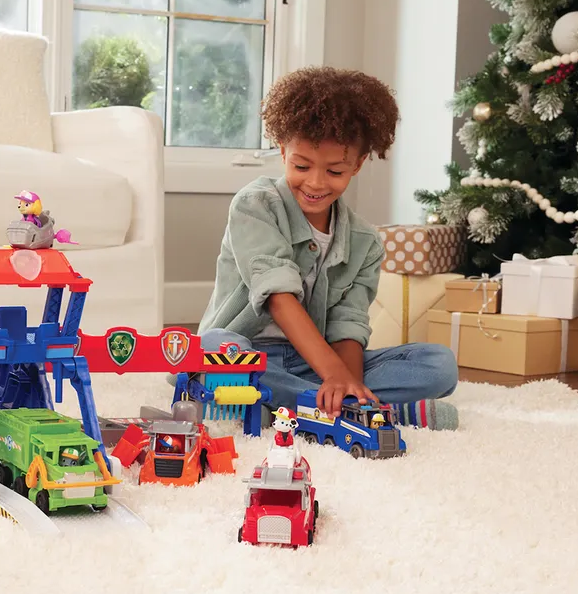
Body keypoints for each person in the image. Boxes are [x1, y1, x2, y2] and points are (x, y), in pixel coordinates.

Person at [196, 66, 459, 431]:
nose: (316, 182)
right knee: (209, 347)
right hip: (247, 353)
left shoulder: (365, 241)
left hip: (316, 360)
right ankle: (359, 413)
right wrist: (333, 376)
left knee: (439, 364)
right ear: (284, 149)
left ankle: (312, 407)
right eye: (301, 165)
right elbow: (278, 296)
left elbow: (347, 325)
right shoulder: (255, 205)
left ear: (358, 164)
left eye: (335, 171)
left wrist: (348, 383)